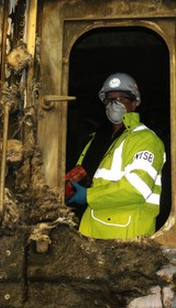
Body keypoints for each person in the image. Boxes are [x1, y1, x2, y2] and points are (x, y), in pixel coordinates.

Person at [67, 72, 166, 239]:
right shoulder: (97, 140)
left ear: (134, 103)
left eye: (121, 99)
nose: (115, 104)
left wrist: (88, 196)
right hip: (92, 233)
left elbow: (137, 188)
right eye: (110, 99)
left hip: (126, 239)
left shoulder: (145, 139)